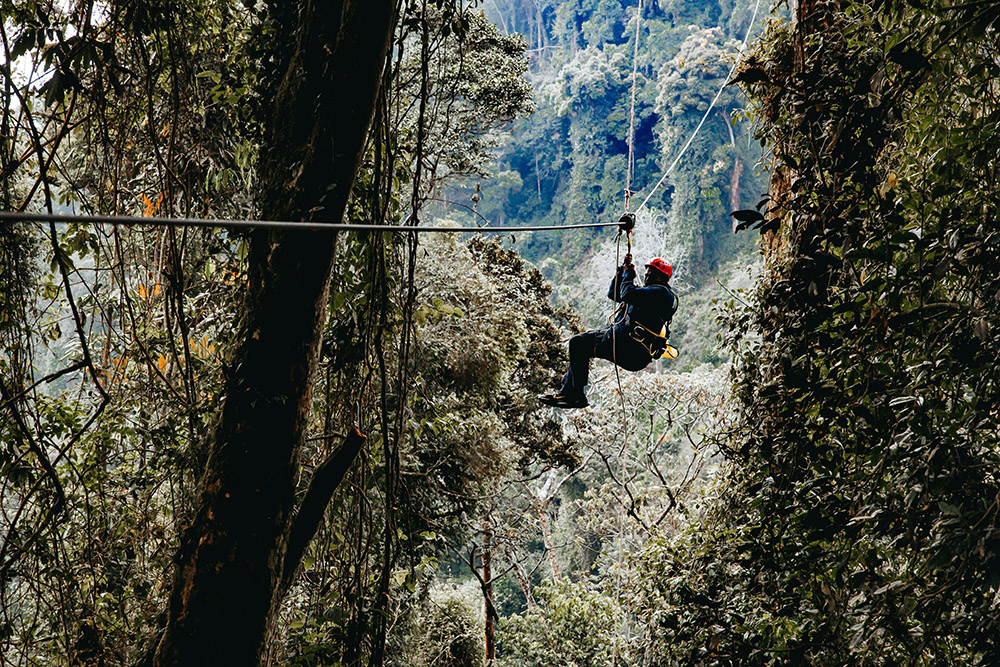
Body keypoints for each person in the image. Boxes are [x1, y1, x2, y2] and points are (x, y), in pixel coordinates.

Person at [539, 254, 677, 409]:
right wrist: (621, 272)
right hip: (624, 344)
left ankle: (574, 395)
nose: (647, 274)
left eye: (652, 272)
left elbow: (627, 293)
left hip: (630, 347)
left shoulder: (662, 294)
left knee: (578, 343)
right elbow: (614, 294)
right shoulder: (647, 294)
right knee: (579, 344)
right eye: (648, 271)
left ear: (662, 276)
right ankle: (570, 392)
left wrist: (628, 274)